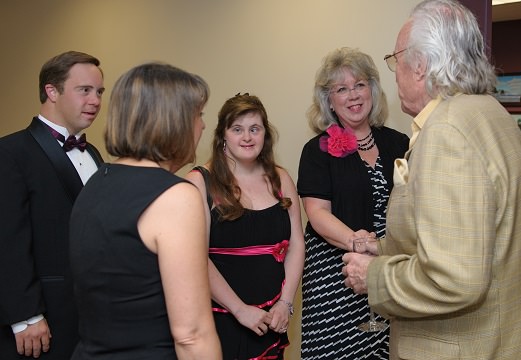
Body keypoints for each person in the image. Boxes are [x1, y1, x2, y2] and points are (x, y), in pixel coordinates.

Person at [341, 1, 521, 359]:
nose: (395, 72)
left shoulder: (448, 130)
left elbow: (455, 278)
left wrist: (374, 275)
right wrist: (385, 248)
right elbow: (473, 239)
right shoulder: (493, 115)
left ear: (420, 66)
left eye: (396, 60)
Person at [69, 62, 221, 359]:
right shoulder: (176, 196)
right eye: (198, 115)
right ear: (174, 121)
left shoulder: (98, 180)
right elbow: (192, 336)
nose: (203, 125)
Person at [297, 47, 409, 359]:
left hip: (387, 266)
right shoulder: (316, 150)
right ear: (328, 100)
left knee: (386, 351)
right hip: (334, 274)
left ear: (372, 89)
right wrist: (356, 242)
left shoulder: (399, 143)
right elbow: (317, 213)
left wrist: (382, 250)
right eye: (341, 89)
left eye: (359, 85)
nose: (353, 95)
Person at [0, 51, 105, 359]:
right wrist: (25, 317)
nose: (96, 100)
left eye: (99, 92)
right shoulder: (10, 152)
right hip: (39, 321)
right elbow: (7, 241)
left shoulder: (94, 154)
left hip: (89, 316)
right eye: (84, 90)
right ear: (52, 91)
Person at [185, 93, 304, 359]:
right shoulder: (200, 182)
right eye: (237, 129)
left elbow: (296, 243)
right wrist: (240, 309)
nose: (247, 137)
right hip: (220, 320)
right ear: (222, 136)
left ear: (265, 134)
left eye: (254, 129)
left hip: (271, 320)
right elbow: (194, 258)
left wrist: (285, 303)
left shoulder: (280, 178)